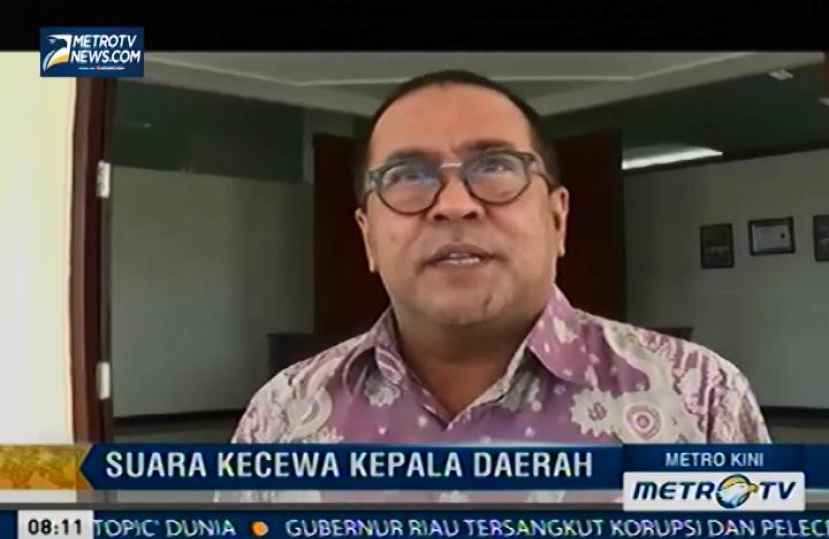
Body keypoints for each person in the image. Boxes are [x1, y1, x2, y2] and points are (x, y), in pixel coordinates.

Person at [219, 70, 771, 503]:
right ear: (368, 237)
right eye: (407, 176)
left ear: (557, 218)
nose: (455, 204)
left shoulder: (699, 397)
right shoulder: (283, 414)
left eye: (495, 166)